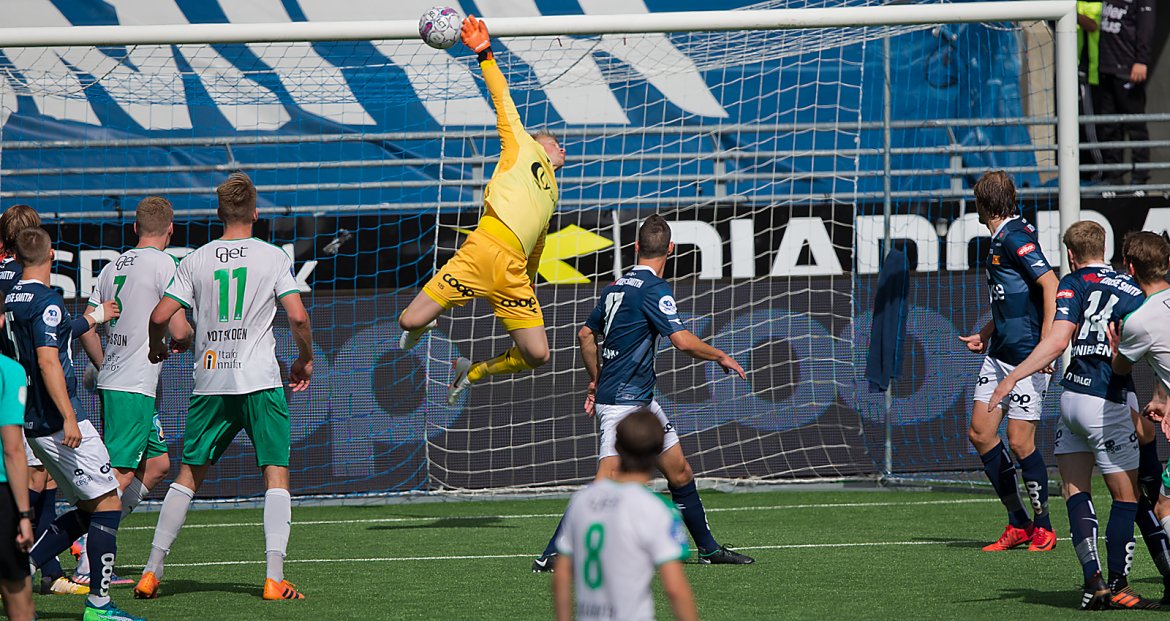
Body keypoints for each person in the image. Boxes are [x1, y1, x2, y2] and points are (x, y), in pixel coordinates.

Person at [534, 215, 753, 571]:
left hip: (637, 399)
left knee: (680, 472)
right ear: (670, 249)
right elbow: (682, 341)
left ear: (635, 247)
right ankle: (554, 554)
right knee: (604, 484)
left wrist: (595, 379)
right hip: (623, 404)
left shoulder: (615, 287)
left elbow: (585, 336)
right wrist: (721, 355)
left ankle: (709, 550)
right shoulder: (655, 289)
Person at [134, 173, 313, 601]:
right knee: (276, 474)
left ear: (219, 214)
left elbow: (160, 317)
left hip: (211, 379)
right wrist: (305, 359)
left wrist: (160, 349)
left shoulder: (196, 260)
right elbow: (299, 316)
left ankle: (150, 571)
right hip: (260, 381)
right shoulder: (271, 256)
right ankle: (273, 578)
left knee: (187, 476)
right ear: (255, 212)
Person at [397, 15, 566, 406]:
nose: (564, 149)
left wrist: (530, 281)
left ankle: (471, 371)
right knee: (408, 323)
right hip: (483, 250)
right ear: (541, 143)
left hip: (513, 273)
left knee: (538, 354)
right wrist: (484, 54)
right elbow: (503, 100)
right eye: (559, 143)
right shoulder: (520, 145)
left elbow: (538, 241)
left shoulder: (553, 190)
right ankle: (425, 323)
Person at [988, 221, 1158, 609]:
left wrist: (1013, 376)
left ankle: (1092, 583)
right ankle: (1118, 586)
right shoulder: (1132, 289)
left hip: (1071, 399)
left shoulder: (1073, 285)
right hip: (1109, 401)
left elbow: (1057, 341)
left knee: (1074, 490)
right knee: (1126, 496)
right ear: (1110, 249)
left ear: (1069, 254)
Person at [3, 228, 138, 621]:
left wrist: (95, 316)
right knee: (109, 502)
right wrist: (67, 417)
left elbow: (54, 333)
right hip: (57, 420)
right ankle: (99, 605)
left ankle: (23, 570)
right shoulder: (46, 300)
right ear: (50, 258)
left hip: (30, 420)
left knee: (86, 507)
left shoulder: (11, 299)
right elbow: (48, 359)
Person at [70, 197, 192, 587]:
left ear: (136, 228)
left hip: (120, 382)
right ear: (170, 229)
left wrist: (105, 361)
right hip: (133, 387)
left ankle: (90, 540)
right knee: (118, 475)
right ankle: (86, 557)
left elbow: (87, 324)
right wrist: (187, 338)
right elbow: (178, 330)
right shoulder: (166, 265)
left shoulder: (111, 267)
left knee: (156, 466)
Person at [960, 171, 1060, 552]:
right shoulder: (1004, 235)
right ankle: (1018, 521)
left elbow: (1050, 284)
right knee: (981, 433)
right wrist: (986, 333)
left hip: (1026, 357)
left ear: (982, 205)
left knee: (1020, 443)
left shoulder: (1016, 237)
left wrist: (1049, 342)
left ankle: (1044, 527)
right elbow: (1011, 296)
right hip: (999, 351)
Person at [552, 408, 698, 621]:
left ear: (617, 446)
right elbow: (675, 588)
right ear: (659, 449)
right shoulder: (657, 509)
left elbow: (562, 575)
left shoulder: (582, 500)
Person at [1096, 0, 1155, 192]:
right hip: (1106, 68)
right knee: (1109, 127)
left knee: (1135, 126)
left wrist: (1141, 60)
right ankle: (1114, 178)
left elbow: (1146, 27)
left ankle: (1140, 180)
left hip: (1128, 69)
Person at [0, 300, 34, 621]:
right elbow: (12, 448)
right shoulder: (10, 371)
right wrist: (24, 514)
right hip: (2, 495)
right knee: (19, 599)